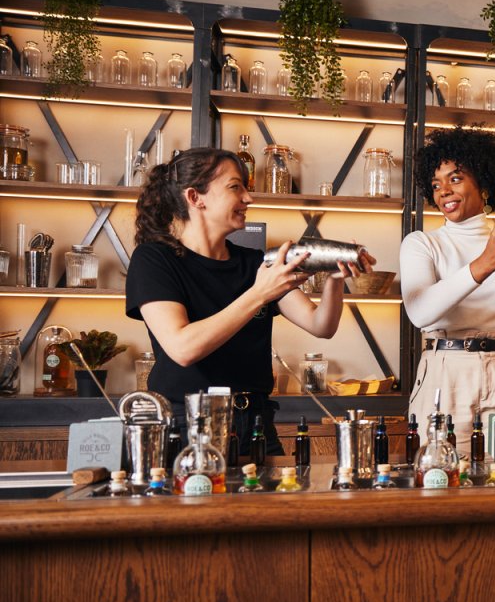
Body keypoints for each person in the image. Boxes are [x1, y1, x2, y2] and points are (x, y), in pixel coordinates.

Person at [126, 147, 373, 455]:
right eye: (235, 187)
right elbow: (183, 348)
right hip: (189, 425)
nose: (248, 198)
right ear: (195, 197)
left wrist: (335, 281)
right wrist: (259, 294)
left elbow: (321, 325)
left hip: (255, 421)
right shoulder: (155, 259)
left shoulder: (255, 262)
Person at [400, 126, 495, 444]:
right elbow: (419, 313)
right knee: (440, 480)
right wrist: (487, 261)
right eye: (435, 184)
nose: (443, 190)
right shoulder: (421, 243)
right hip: (445, 374)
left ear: (483, 183)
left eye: (455, 178)